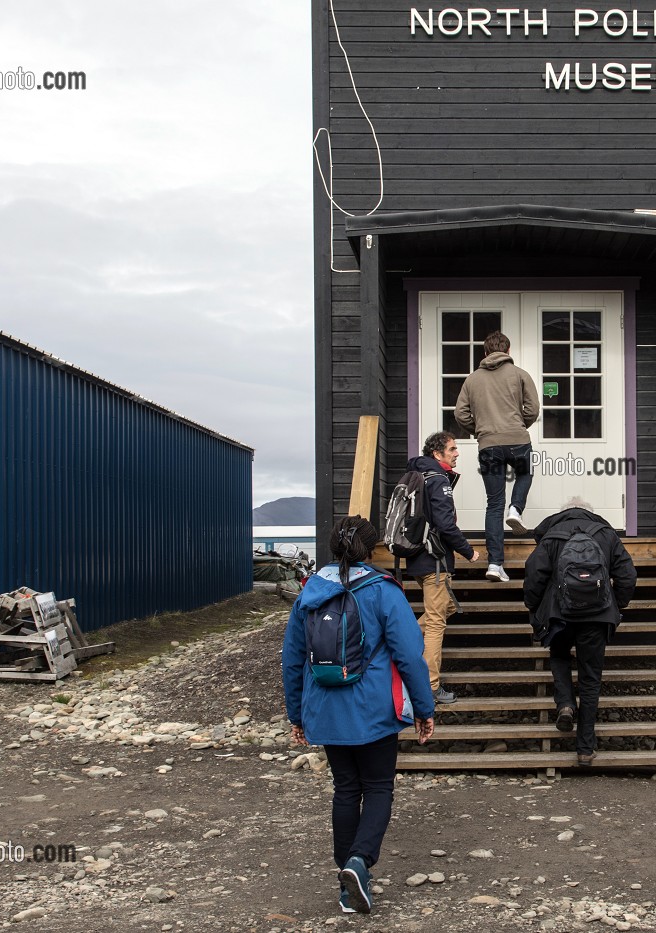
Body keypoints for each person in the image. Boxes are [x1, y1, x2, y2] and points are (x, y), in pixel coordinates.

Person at [282, 515, 436, 915]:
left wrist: (296, 713)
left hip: (325, 710)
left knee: (346, 789)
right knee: (379, 787)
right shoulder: (383, 591)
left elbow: (293, 659)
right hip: (374, 710)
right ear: (371, 551)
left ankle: (346, 881)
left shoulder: (310, 592)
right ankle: (359, 863)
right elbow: (409, 655)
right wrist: (424, 707)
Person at [522, 500, 637, 766]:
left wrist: (534, 609)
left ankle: (564, 704)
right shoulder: (606, 535)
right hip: (597, 617)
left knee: (560, 655)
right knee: (590, 678)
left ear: (562, 512)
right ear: (589, 512)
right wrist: (616, 606)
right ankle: (585, 748)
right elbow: (628, 576)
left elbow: (533, 576)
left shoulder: (551, 536)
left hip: (560, 615)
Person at [455, 331, 540, 584]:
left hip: (488, 444)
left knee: (493, 504)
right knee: (525, 473)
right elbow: (533, 409)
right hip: (517, 441)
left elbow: (461, 414)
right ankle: (516, 508)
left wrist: (479, 430)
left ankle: (494, 564)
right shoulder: (520, 375)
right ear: (508, 351)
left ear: (485, 352)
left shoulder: (471, 380)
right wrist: (518, 425)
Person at [405, 432, 481, 704]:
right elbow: (445, 524)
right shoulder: (437, 479)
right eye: (452, 448)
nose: (457, 453)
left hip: (417, 558)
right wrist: (469, 551)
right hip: (434, 560)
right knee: (437, 622)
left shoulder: (419, 475)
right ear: (437, 454)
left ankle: (401, 640)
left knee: (442, 608)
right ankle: (430, 687)